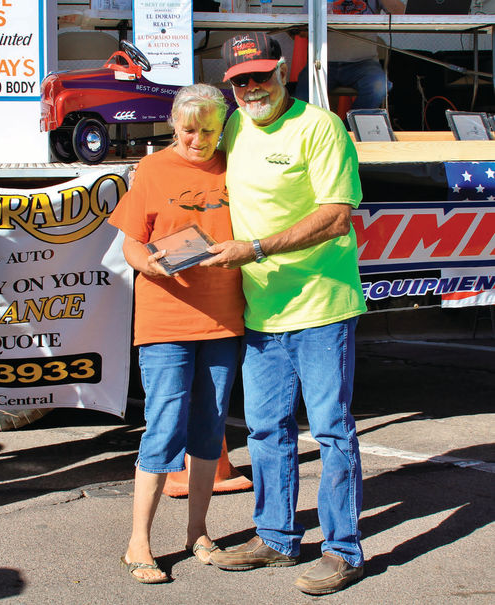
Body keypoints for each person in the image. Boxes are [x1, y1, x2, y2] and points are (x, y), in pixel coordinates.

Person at [199, 32, 367, 595]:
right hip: (262, 309)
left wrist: (258, 249)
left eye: (260, 76)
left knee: (330, 429)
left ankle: (343, 550)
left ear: (282, 76)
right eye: (240, 80)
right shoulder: (233, 127)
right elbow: (189, 155)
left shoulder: (319, 126)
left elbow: (338, 214)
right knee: (268, 430)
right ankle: (275, 538)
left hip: (321, 303)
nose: (251, 88)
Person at [108, 83, 244, 584]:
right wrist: (153, 266)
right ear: (173, 124)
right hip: (165, 317)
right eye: (190, 129)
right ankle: (138, 542)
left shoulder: (235, 166)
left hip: (223, 318)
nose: (199, 139)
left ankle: (198, 533)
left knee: (209, 426)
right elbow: (132, 246)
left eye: (209, 129)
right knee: (164, 425)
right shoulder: (152, 169)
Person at [295, 0, 405, 110]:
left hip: (364, 63)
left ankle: (350, 125)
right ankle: (326, 125)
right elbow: (303, 29)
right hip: (322, 62)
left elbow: (403, 15)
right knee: (303, 98)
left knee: (378, 87)